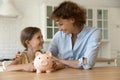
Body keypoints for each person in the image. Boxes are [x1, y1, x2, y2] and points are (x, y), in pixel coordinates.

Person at [48, 1, 101, 69]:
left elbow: (88, 63)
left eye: (61, 24)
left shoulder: (93, 33)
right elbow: (49, 56)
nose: (59, 29)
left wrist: (60, 61)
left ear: (72, 19)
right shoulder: (59, 35)